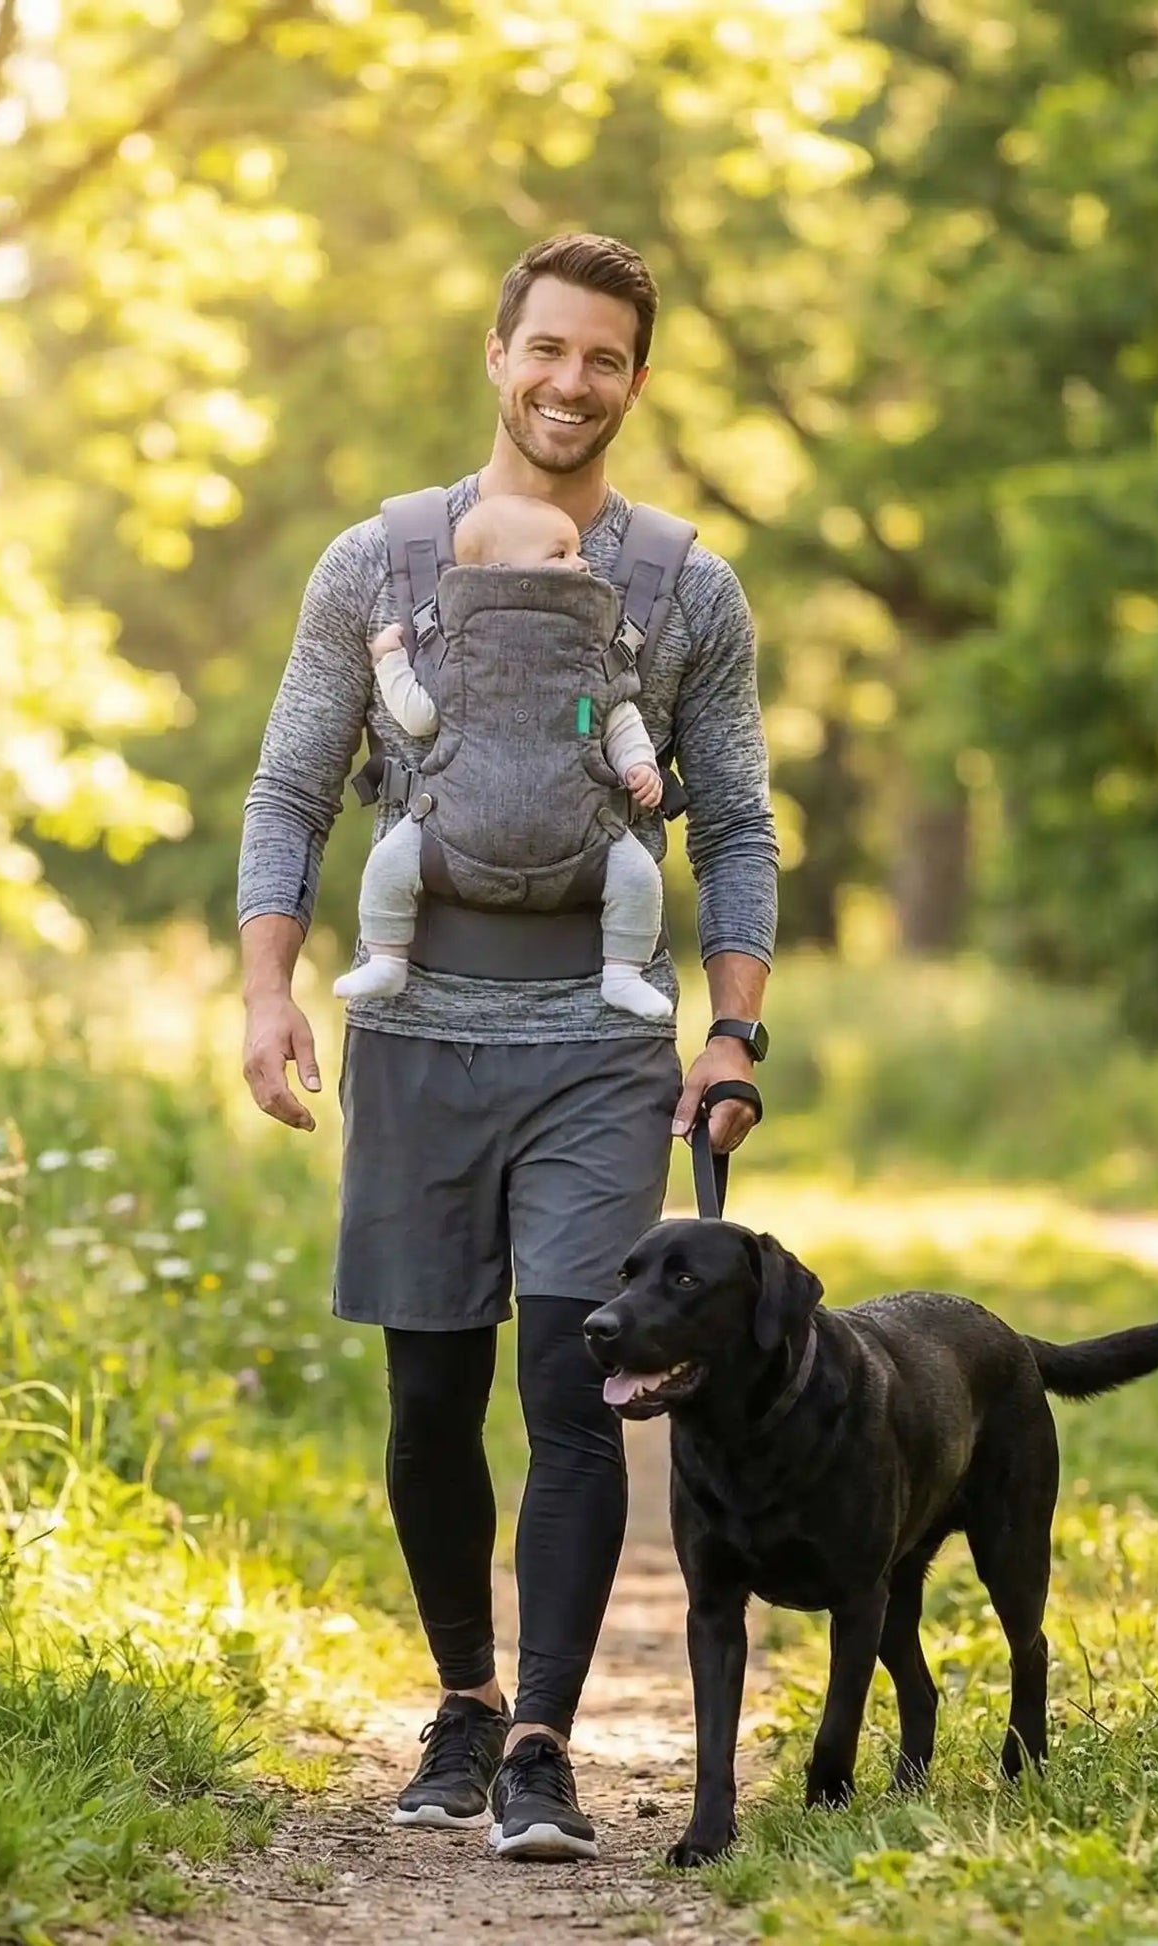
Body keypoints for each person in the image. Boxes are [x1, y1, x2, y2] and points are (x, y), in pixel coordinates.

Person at [237, 231, 777, 1864]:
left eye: (604, 357)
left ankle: (542, 1738)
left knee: (573, 1379)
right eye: (546, 348)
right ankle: (464, 1702)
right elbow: (291, 791)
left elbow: (738, 825)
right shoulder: (376, 564)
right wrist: (269, 989)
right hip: (413, 1028)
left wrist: (734, 1025)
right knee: (425, 1396)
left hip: (599, 1042)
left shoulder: (687, 584)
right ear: (497, 354)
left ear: (635, 378)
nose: (569, 381)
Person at [332, 492, 671, 1021]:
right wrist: (391, 663)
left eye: (577, 553)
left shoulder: (588, 654)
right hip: (449, 828)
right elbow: (421, 717)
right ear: (499, 573)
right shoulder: (465, 654)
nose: (582, 564)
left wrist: (638, 765)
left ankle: (624, 973)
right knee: (389, 861)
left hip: (585, 832)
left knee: (638, 874)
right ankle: (386, 956)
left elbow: (616, 717)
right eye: (560, 554)